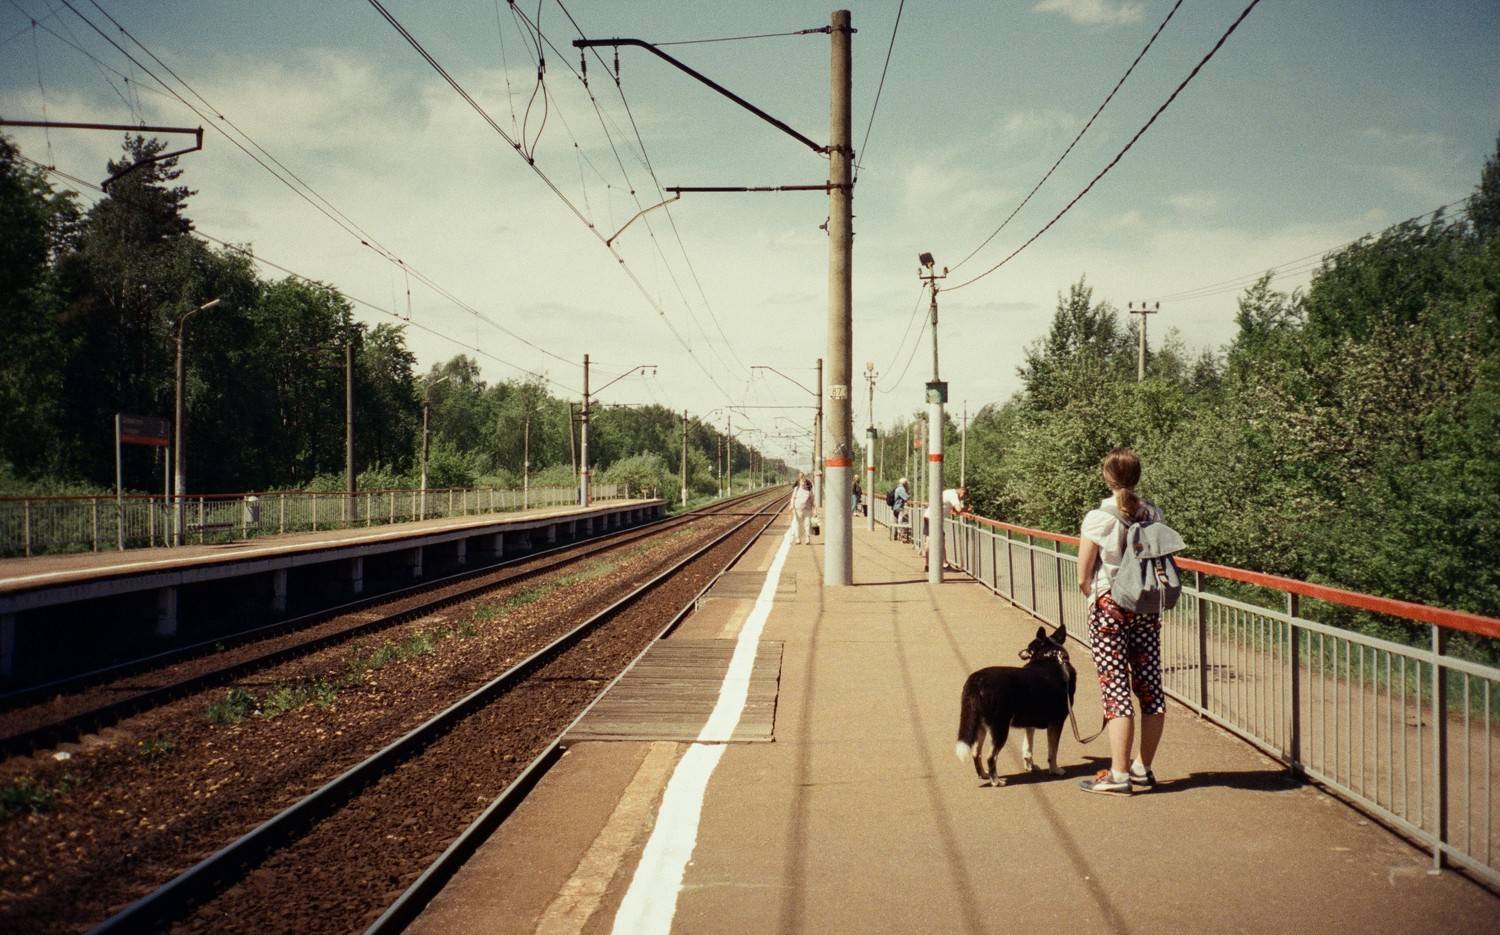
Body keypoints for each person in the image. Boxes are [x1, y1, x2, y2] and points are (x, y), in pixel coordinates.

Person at [1076, 448, 1165, 796]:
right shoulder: (1153, 513)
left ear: (1106, 477)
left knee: (1116, 690)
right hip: (1146, 608)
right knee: (1151, 689)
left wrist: (1094, 596)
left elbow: (1083, 573)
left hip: (1109, 609)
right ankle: (1142, 769)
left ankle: (1118, 775)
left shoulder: (1099, 517)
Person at [920, 486, 969, 569]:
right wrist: (967, 509)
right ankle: (944, 563)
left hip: (928, 515)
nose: (961, 499)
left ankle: (928, 564)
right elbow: (958, 509)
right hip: (935, 519)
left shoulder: (948, 491)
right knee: (940, 541)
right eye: (963, 497)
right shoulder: (953, 496)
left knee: (929, 540)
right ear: (962, 492)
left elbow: (952, 509)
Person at [789, 472, 816, 545]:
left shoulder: (809, 490)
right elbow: (793, 498)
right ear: (799, 482)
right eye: (802, 482)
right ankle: (798, 539)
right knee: (797, 524)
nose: (803, 483)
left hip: (807, 510)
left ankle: (807, 538)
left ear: (806, 482)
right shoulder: (796, 489)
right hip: (798, 510)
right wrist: (791, 505)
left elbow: (813, 500)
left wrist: (814, 510)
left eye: (804, 482)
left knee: (807, 525)